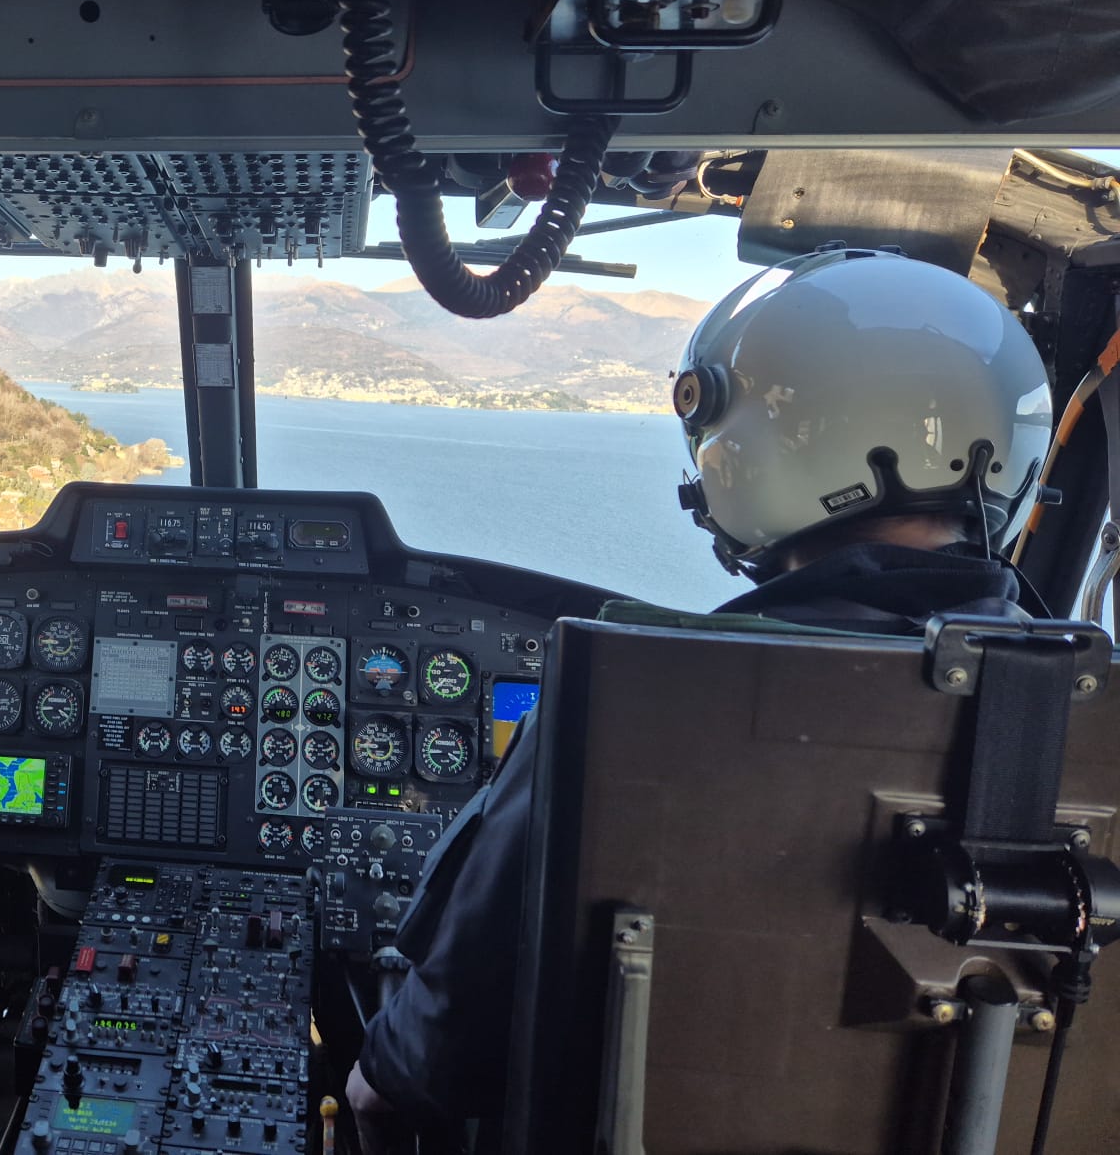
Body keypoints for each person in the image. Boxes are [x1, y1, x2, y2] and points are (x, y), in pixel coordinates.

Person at [345, 247, 1056, 1151]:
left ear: (744, 448)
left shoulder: (633, 691)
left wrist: (370, 1073)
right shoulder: (1077, 716)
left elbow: (421, 1072)